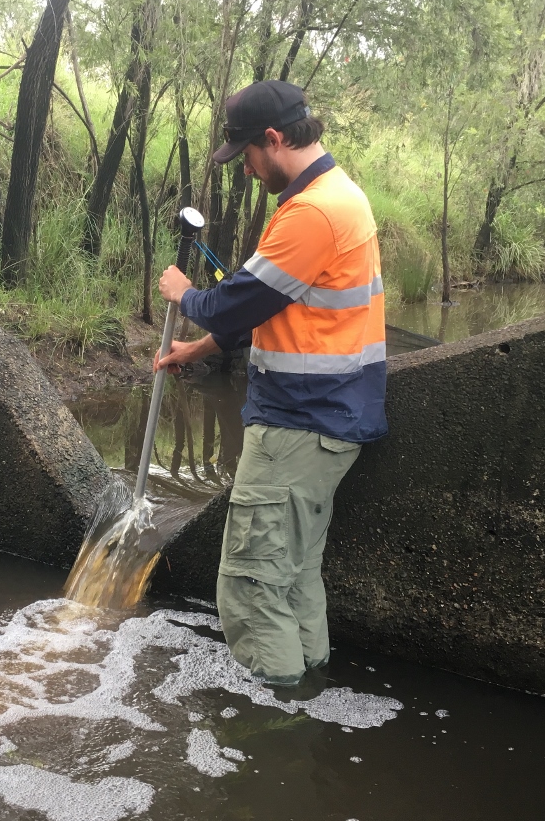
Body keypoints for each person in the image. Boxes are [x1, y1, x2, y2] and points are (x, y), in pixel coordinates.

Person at [155, 79, 387, 687]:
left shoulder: (311, 213)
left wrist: (187, 296)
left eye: (248, 157)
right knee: (292, 575)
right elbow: (279, 307)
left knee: (251, 587)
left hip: (298, 424)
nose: (249, 171)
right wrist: (202, 348)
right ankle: (309, 692)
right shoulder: (341, 195)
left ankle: (271, 734)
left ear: (275, 139)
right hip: (331, 423)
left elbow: (235, 304)